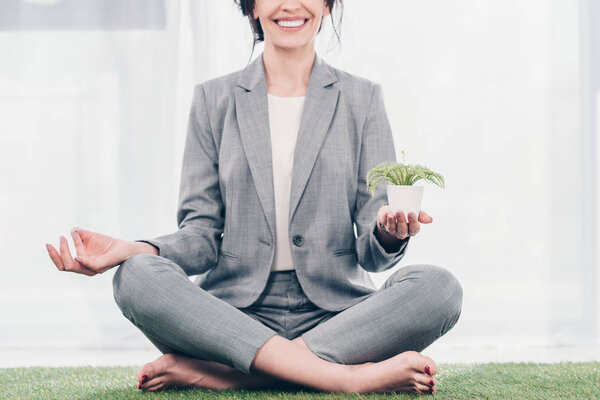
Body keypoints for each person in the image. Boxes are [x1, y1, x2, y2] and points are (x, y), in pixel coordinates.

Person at [46, 0, 463, 394]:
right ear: (252, 6)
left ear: (327, 4)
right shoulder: (213, 99)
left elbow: (373, 254)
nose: (290, 5)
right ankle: (347, 379)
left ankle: (231, 375)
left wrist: (389, 232)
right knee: (134, 275)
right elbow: (201, 235)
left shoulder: (362, 98)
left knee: (440, 287)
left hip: (338, 316)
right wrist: (131, 248)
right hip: (234, 317)